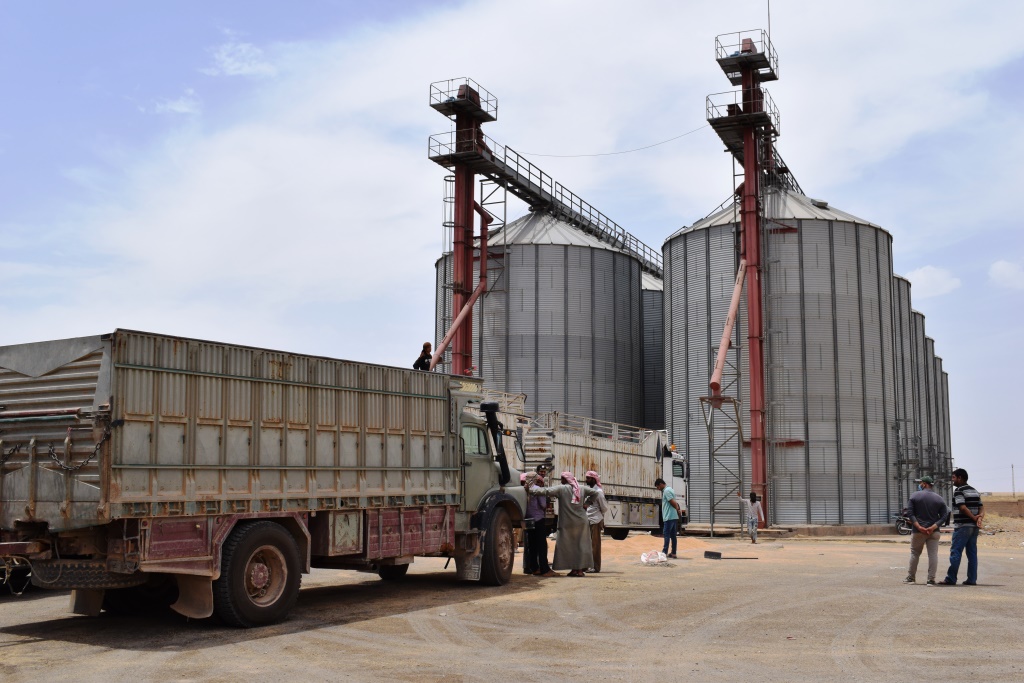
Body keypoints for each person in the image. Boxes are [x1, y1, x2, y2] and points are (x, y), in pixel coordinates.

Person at [531, 472, 596, 577]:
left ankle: (575, 569)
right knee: (580, 545)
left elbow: (545, 491)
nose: (561, 480)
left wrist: (530, 489)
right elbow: (596, 493)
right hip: (581, 522)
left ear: (566, 479)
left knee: (569, 546)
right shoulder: (582, 488)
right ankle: (578, 570)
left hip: (568, 523)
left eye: (562, 478)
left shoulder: (562, 489)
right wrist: (587, 503)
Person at [939, 468, 984, 586]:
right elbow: (981, 507)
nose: (952, 480)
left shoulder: (959, 491)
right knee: (972, 553)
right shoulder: (974, 491)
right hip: (974, 527)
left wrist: (974, 518)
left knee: (956, 552)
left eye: (954, 477)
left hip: (963, 526)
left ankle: (951, 578)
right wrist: (979, 518)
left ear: (960, 478)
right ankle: (972, 579)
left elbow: (962, 507)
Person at [903, 475, 949, 585]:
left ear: (924, 484)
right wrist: (933, 527)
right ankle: (931, 580)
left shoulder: (914, 496)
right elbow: (944, 515)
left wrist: (919, 526)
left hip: (918, 531)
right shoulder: (939, 498)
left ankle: (911, 578)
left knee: (915, 553)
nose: (920, 485)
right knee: (933, 555)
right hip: (933, 531)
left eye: (921, 483)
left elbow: (910, 513)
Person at [523, 472, 557, 577]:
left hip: (528, 520)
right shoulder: (537, 489)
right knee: (542, 545)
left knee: (532, 545)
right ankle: (545, 569)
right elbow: (543, 505)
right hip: (538, 519)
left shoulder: (524, 489)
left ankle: (534, 568)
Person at [584, 470, 609, 573]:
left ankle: (595, 567)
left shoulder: (598, 492)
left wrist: (600, 517)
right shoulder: (589, 491)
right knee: (588, 545)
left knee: (595, 545)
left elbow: (604, 507)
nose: (586, 480)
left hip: (595, 520)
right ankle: (587, 565)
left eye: (588, 478)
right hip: (588, 520)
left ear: (594, 479)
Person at [655, 478, 681, 559]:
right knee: (673, 536)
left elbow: (672, 502)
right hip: (673, 516)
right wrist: (677, 509)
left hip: (669, 517)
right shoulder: (670, 489)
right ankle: (673, 553)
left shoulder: (666, 491)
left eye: (658, 487)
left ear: (661, 484)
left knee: (666, 535)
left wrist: (677, 509)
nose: (658, 489)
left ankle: (664, 552)